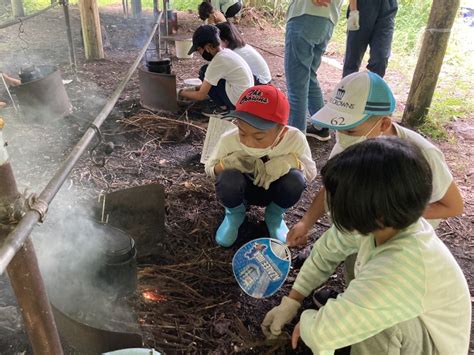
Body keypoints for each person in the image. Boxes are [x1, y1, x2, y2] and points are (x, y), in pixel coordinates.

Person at [261, 137, 471, 354]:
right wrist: (293, 299)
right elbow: (326, 251)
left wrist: (308, 323)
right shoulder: (385, 223)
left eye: (340, 200)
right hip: (408, 312)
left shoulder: (402, 266)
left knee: (380, 326)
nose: (332, 206)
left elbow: (323, 334)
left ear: (375, 210)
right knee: (366, 300)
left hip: (432, 345)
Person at [287, 71, 464, 247]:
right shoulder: (351, 142)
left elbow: (453, 206)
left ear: (384, 124)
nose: (340, 136)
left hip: (404, 238)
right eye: (337, 128)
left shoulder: (424, 154)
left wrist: (390, 216)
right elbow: (332, 189)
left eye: (350, 130)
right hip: (363, 225)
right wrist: (306, 222)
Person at [204, 85, 317, 247]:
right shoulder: (229, 139)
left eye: (259, 137)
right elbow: (209, 168)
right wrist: (226, 164)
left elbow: (311, 173)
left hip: (275, 191)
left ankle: (274, 216)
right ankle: (235, 215)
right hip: (243, 192)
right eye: (242, 133)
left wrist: (291, 162)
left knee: (295, 180)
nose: (249, 142)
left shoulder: (294, 139)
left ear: (282, 132)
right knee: (228, 178)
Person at [284, 0, 344, 141]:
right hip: (327, 20)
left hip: (305, 15)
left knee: (296, 83)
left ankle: (295, 140)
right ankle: (321, 126)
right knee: (309, 75)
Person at [179, 25, 253, 115]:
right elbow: (207, 84)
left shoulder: (218, 61)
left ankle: (223, 108)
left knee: (205, 71)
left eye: (199, 50)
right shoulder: (226, 52)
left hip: (237, 103)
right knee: (209, 74)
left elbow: (201, 95)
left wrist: (180, 92)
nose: (199, 53)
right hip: (247, 99)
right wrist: (192, 89)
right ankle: (225, 105)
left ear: (208, 47)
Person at [343, 0, 398, 78]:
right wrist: (353, 11)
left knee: (380, 59)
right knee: (352, 59)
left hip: (388, 8)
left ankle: (372, 88)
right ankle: (346, 88)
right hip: (362, 6)